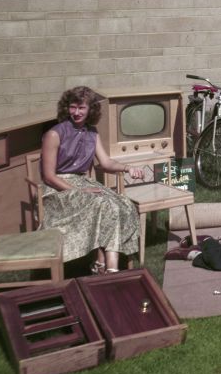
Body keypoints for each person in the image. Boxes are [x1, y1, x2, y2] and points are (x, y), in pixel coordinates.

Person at [39, 86, 144, 273]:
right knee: (104, 205)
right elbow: (48, 176)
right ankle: (108, 266)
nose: (76, 112)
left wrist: (128, 168)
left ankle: (105, 264)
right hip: (57, 188)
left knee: (124, 204)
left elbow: (105, 162)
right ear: (66, 108)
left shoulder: (92, 133)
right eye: (73, 107)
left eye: (82, 108)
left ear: (90, 110)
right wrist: (77, 191)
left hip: (83, 182)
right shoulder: (54, 134)